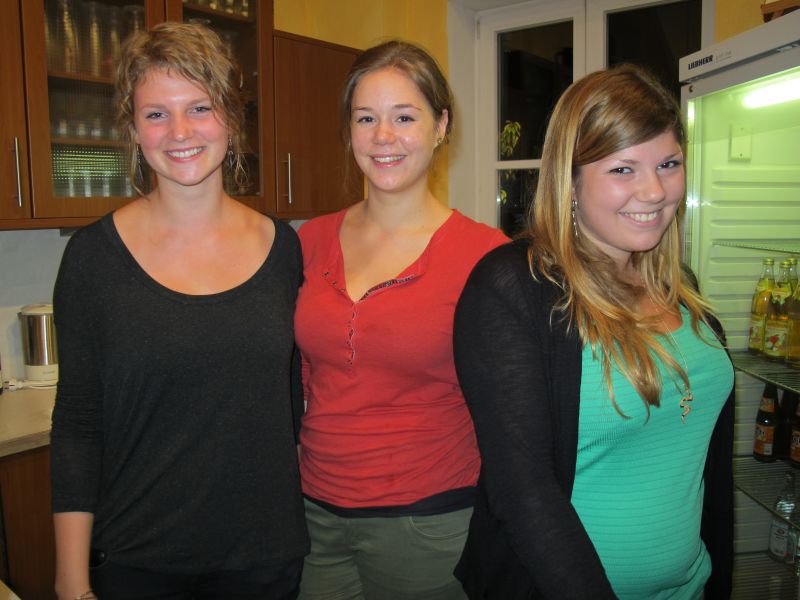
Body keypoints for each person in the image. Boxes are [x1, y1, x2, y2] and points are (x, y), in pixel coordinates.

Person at [453, 64, 734, 600]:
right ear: (571, 181)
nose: (654, 191)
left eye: (669, 164)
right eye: (623, 169)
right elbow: (523, 492)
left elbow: (709, 475)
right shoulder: (513, 289)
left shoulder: (682, 289)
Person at [50, 22, 308, 600]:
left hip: (264, 560)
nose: (180, 131)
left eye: (199, 107)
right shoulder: (92, 259)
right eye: (156, 114)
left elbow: (290, 401)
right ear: (133, 129)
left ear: (231, 118)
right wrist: (70, 579)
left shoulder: (283, 248)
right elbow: (78, 423)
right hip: (138, 561)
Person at [293, 40, 508, 599]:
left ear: (441, 126)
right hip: (314, 515)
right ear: (348, 131)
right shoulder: (309, 241)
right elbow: (303, 375)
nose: (383, 136)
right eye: (366, 118)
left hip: (430, 522)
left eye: (404, 117)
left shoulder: (486, 257)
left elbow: (509, 407)